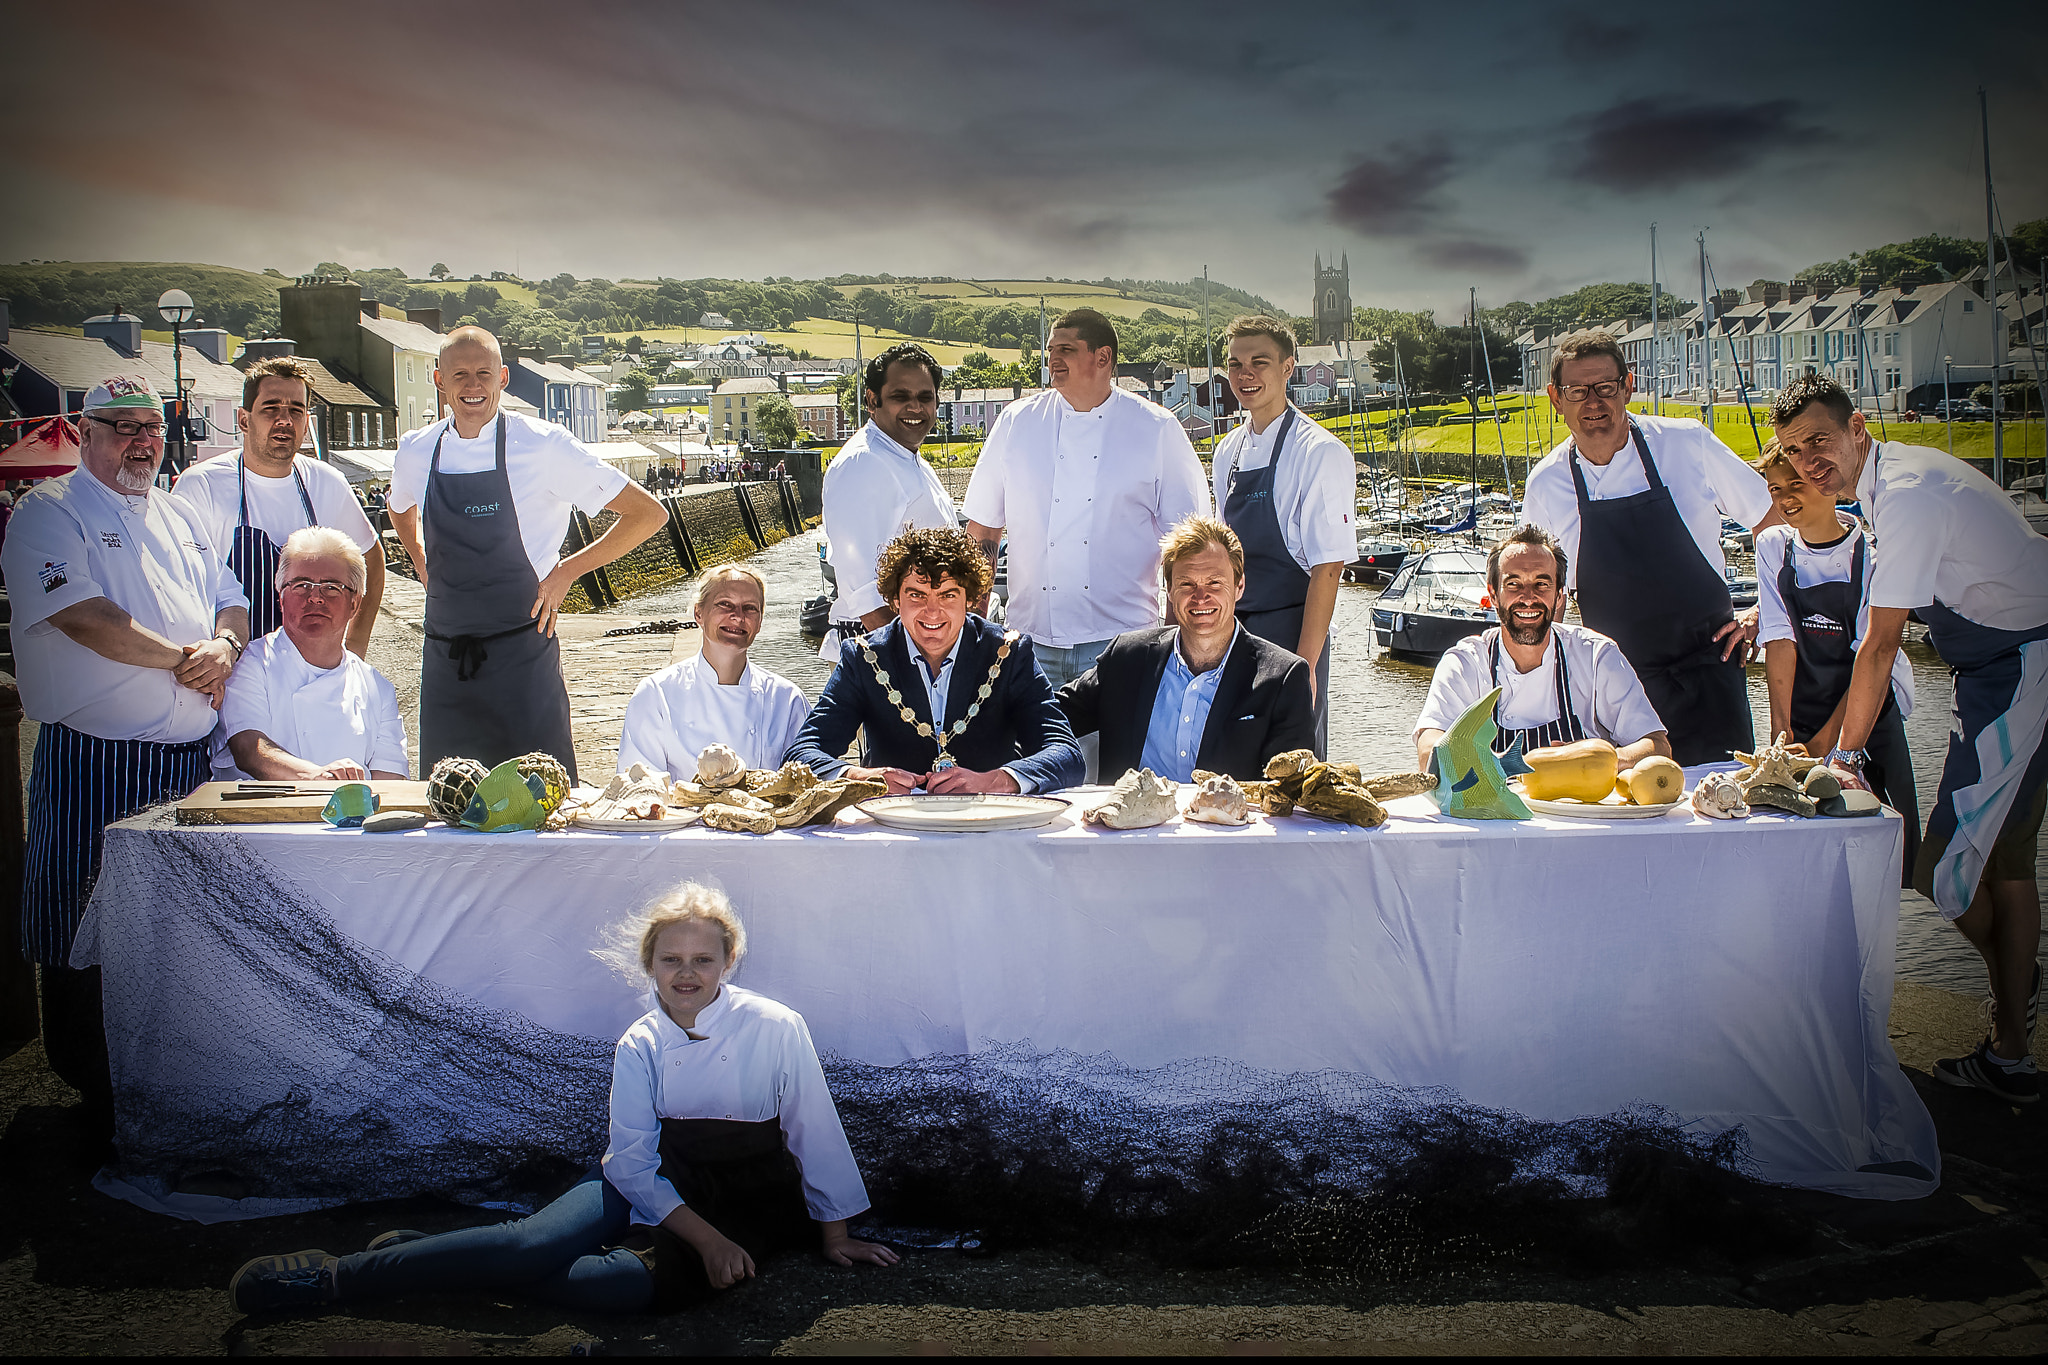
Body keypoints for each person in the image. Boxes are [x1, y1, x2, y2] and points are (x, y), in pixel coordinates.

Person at [228, 883, 897, 1314]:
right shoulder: (640, 1041)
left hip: (746, 1198)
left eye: (703, 958)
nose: (687, 973)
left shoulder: (777, 1027)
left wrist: (834, 1234)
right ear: (650, 965)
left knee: (607, 1286)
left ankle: (430, 1258)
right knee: (527, 1246)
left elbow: (815, 1129)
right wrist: (705, 1237)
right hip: (656, 1175)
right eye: (671, 959)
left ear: (729, 961)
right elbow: (632, 1162)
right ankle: (337, 1275)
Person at [1773, 375, 2048, 1104]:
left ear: (1858, 427)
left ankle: (2013, 1010)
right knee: (2006, 865)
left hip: (2021, 667)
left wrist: (1840, 758)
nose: (1808, 461)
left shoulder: (1909, 497)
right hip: (1997, 670)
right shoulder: (1891, 488)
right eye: (1793, 451)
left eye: (1820, 441)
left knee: (1946, 874)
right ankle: (2013, 1044)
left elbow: (1882, 643)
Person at [0, 375, 248, 1133]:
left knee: (169, 931)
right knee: (81, 922)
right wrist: (183, 659)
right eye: (121, 425)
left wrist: (226, 642)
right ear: (83, 430)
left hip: (181, 764)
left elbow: (231, 597)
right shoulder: (48, 512)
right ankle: (90, 1087)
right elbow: (84, 615)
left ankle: (163, 1076)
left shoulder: (176, 514)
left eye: (152, 426)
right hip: (94, 760)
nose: (142, 439)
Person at [387, 327, 667, 781]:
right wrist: (421, 561)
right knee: (449, 809)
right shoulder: (417, 450)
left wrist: (567, 573)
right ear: (439, 380)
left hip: (523, 658)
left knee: (542, 805)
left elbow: (647, 514)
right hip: (445, 662)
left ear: (504, 378)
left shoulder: (544, 446)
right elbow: (399, 509)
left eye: (484, 373)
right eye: (460, 374)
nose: (473, 386)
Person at [1521, 329, 1780, 765]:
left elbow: (1773, 523)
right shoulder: (1546, 483)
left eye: (1605, 387)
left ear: (1628, 385)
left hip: (1710, 671)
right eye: (1577, 391)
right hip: (1616, 685)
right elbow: (1544, 593)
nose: (1593, 402)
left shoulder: (1687, 443)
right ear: (1555, 398)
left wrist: (1761, 614)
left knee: (1722, 812)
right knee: (1625, 816)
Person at [963, 308, 1210, 690]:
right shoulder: (1016, 422)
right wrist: (976, 627)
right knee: (1032, 751)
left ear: (1103, 357)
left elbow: (1190, 547)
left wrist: (1178, 640)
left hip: (1123, 642)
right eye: (1050, 350)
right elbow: (983, 530)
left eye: (1066, 349)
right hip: (1028, 641)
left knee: (1117, 753)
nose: (1053, 360)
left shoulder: (1157, 429)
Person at [785, 526, 1084, 795]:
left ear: (969, 599)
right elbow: (801, 753)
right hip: (894, 832)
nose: (932, 612)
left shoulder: (1009, 653)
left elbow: (1066, 754)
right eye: (916, 595)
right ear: (894, 599)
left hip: (989, 829)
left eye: (948, 595)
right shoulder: (863, 657)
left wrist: (994, 781)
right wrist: (859, 777)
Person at [1753, 441, 1918, 877]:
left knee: (1897, 858)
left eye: (1797, 484)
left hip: (1869, 718)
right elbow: (1779, 638)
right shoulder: (1773, 546)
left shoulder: (1871, 556)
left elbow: (1873, 659)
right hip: (1802, 715)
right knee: (1805, 858)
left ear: (1827, 484)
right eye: (1774, 489)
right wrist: (1782, 734)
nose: (1785, 498)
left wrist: (1829, 746)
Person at [1057, 516, 1313, 783]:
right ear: (1169, 590)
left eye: (1214, 583)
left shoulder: (1283, 679)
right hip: (1129, 822)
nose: (1200, 597)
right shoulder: (1126, 659)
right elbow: (1049, 717)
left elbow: (1289, 793)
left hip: (1230, 824)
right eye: (1187, 584)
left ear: (1239, 586)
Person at [172, 355, 385, 656]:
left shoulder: (326, 482)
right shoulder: (201, 486)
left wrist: (355, 644)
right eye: (271, 408)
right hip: (233, 672)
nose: (284, 420)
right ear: (244, 419)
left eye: (296, 411)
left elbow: (372, 559)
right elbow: (179, 584)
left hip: (311, 670)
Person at [1413, 525, 1670, 771]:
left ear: (1559, 595)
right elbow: (1429, 752)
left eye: (1542, 584)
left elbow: (1657, 747)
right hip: (1490, 815)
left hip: (1581, 814)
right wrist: (1494, 768)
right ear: (1493, 595)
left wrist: (1598, 759)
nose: (1528, 597)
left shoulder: (1596, 656)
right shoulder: (1465, 663)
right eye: (1513, 584)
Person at [1214, 316, 1354, 757]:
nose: (1245, 374)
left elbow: (1329, 568)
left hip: (1292, 631)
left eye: (1260, 362)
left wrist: (1306, 666)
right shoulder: (1227, 451)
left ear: (1289, 368)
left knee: (1291, 768)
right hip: (1233, 634)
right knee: (1230, 762)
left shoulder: (1320, 452)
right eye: (1235, 364)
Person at [216, 527, 408, 782]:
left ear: (355, 603)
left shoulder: (376, 687)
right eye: (301, 585)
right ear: (281, 597)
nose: (315, 598)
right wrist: (317, 777)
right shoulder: (252, 663)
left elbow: (390, 778)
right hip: (263, 817)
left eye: (331, 587)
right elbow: (249, 749)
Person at [617, 565, 809, 776]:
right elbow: (640, 786)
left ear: (760, 621)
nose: (738, 616)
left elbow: (808, 782)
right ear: (698, 613)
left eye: (750, 608)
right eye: (725, 604)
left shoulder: (788, 700)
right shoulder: (656, 694)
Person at [820, 343, 955, 641]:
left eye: (925, 397)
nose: (915, 408)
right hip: (878, 651)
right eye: (900, 396)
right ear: (872, 400)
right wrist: (909, 656)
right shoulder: (863, 462)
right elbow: (862, 587)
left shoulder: (907, 458)